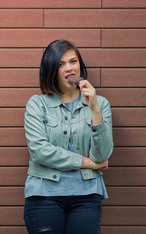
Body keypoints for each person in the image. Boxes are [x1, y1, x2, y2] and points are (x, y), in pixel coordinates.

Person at [23, 39, 113, 234]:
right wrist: (85, 162)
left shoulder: (101, 104)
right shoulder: (37, 105)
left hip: (86, 196)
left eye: (73, 61)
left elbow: (102, 155)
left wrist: (95, 110)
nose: (69, 68)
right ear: (51, 70)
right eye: (61, 64)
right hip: (43, 195)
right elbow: (40, 151)